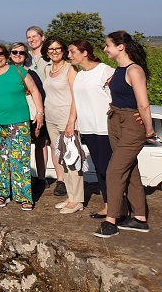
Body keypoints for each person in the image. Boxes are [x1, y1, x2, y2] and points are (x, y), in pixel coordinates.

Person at [95, 31, 154, 238]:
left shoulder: (134, 70)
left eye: (107, 45)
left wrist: (149, 129)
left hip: (131, 125)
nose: (105, 49)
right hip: (116, 121)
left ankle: (111, 220)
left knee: (114, 170)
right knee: (130, 170)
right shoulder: (119, 70)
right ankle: (139, 218)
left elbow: (143, 104)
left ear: (121, 46)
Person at [0, 42, 45, 210]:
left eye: (0, 53)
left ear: (6, 54)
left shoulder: (19, 71)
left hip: (19, 122)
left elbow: (35, 91)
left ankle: (24, 196)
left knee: (20, 160)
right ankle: (0, 193)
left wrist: (40, 113)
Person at [68, 39, 115, 219]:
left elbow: (115, 98)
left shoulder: (105, 71)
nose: (69, 55)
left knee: (107, 168)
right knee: (99, 168)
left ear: (84, 53)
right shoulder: (80, 75)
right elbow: (76, 101)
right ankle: (107, 204)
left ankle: (117, 205)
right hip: (88, 128)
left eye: (72, 52)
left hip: (105, 128)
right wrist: (72, 121)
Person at [41, 36, 83, 213]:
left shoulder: (70, 69)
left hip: (66, 118)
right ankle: (70, 196)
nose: (54, 52)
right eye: (51, 49)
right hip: (51, 118)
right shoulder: (47, 69)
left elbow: (76, 96)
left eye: (57, 48)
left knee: (72, 159)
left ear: (63, 50)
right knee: (62, 159)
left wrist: (71, 121)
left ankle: (78, 200)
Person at [9, 42, 50, 193]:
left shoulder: (31, 73)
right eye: (15, 52)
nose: (18, 55)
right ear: (10, 54)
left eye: (21, 53)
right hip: (14, 115)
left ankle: (40, 178)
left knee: (40, 144)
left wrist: (40, 114)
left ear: (26, 56)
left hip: (31, 115)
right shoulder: (5, 73)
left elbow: (38, 94)